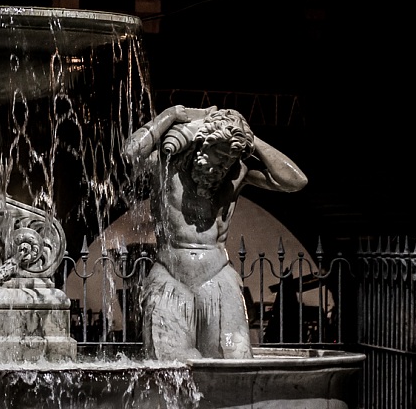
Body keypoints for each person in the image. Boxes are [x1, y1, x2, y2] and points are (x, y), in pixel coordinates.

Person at [122, 106, 308, 360]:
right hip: (171, 278)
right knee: (169, 367)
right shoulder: (167, 166)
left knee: (234, 360)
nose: (220, 168)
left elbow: (295, 182)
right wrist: (172, 115)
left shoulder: (236, 173)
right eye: (218, 157)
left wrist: (251, 139)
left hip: (218, 278)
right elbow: (131, 152)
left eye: (227, 162)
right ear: (201, 144)